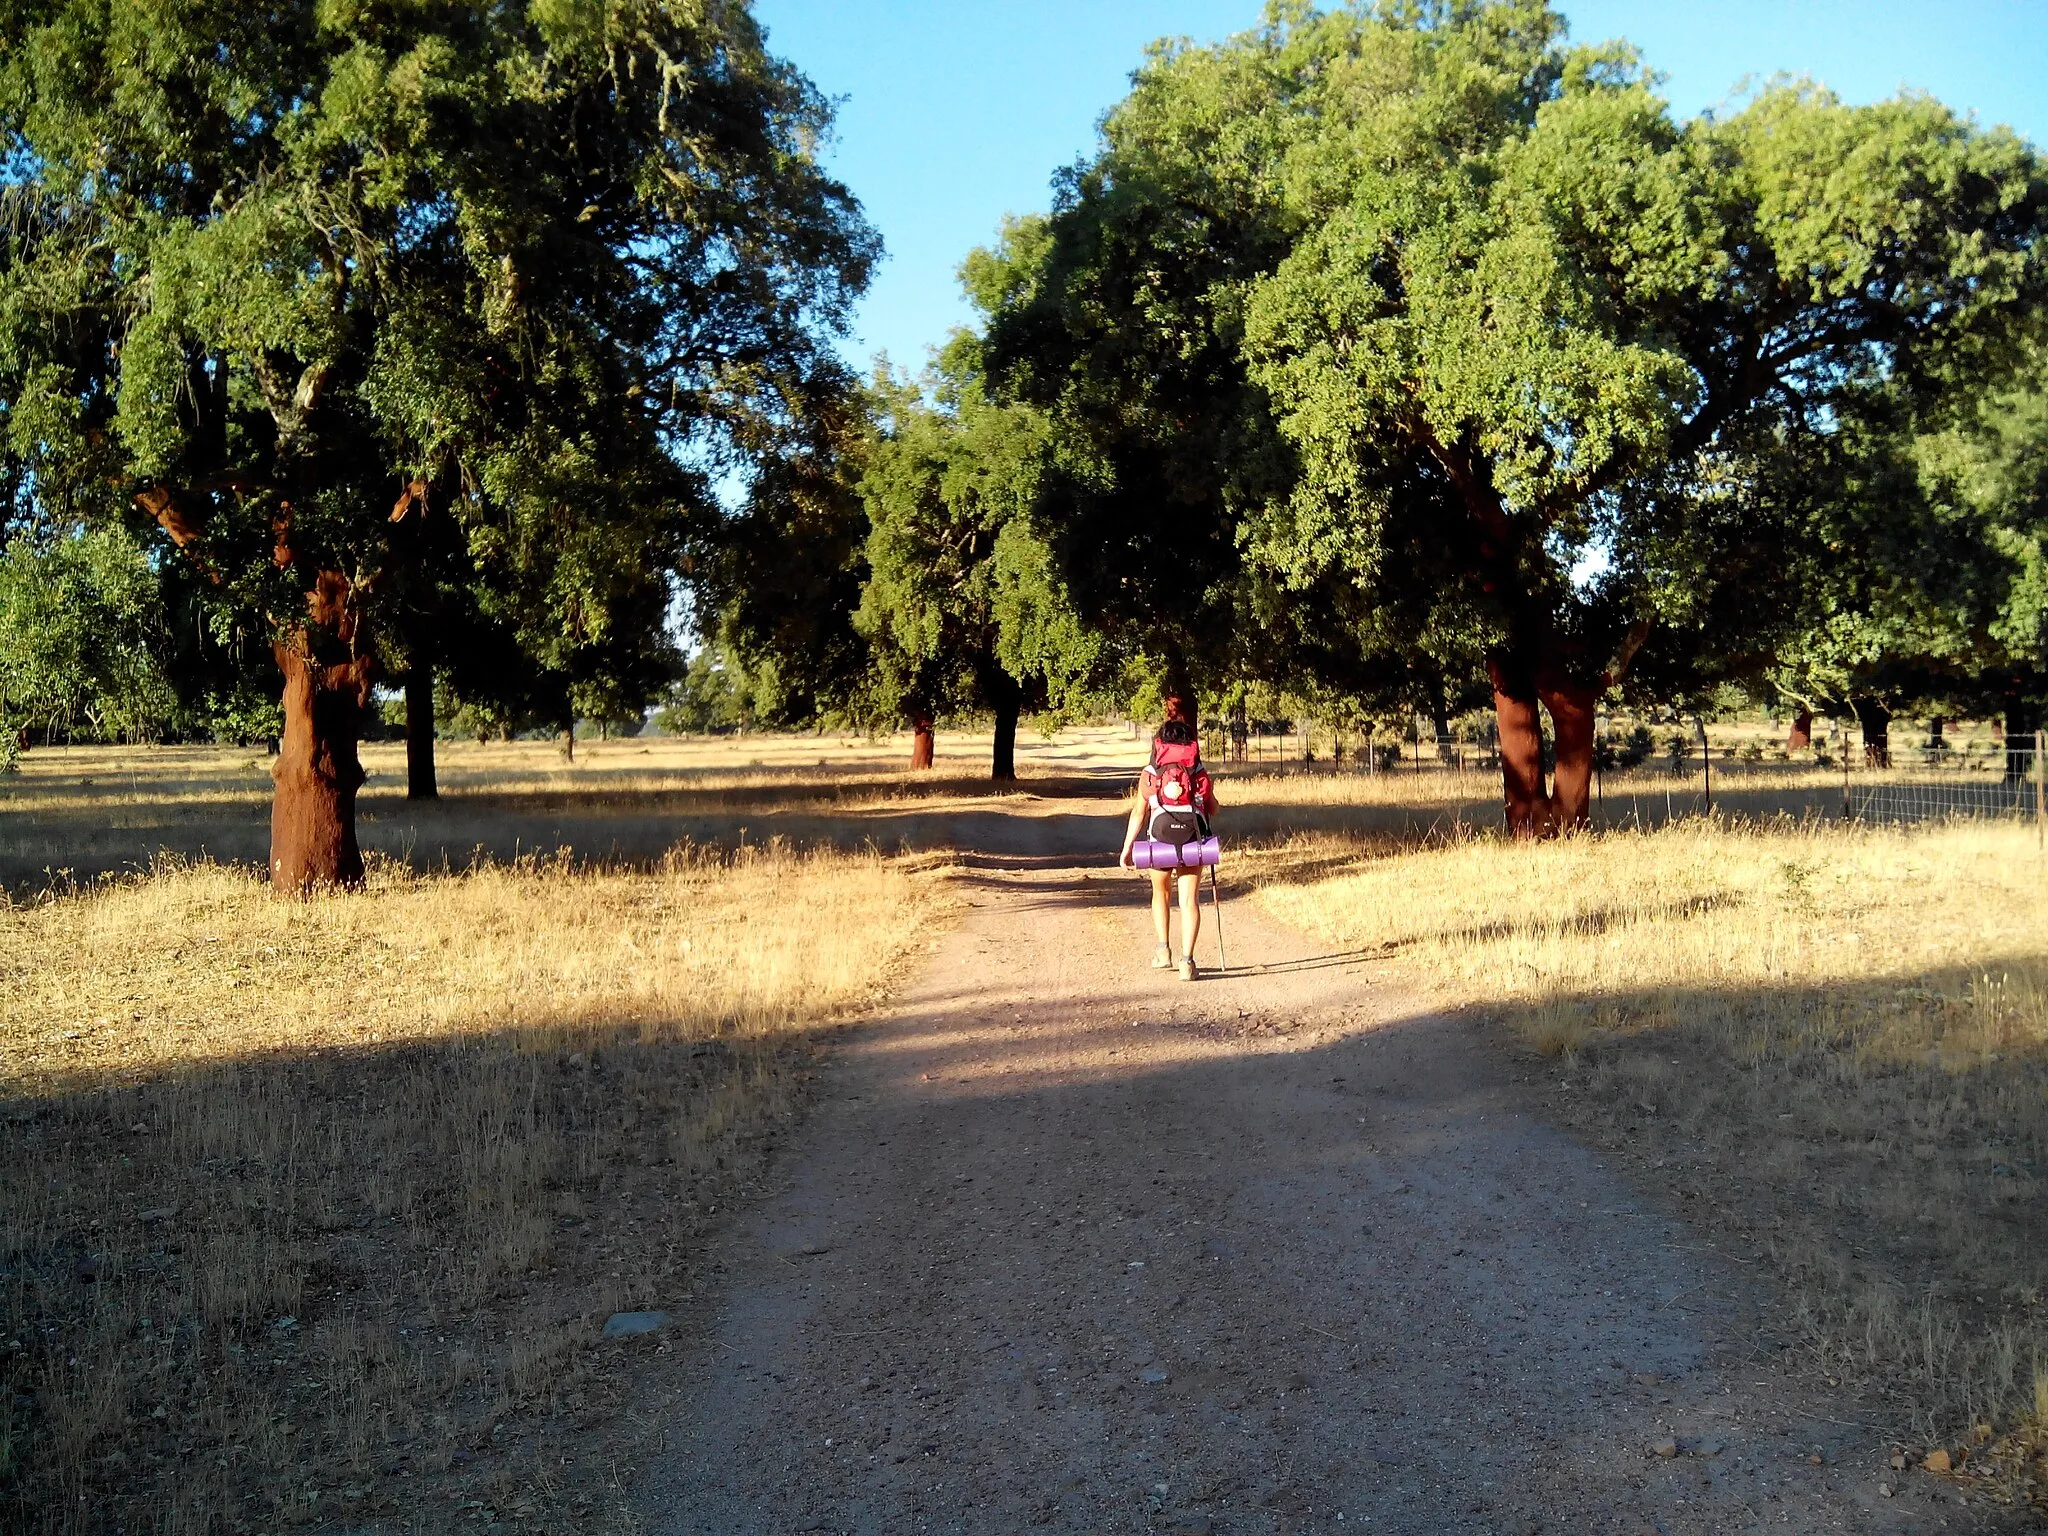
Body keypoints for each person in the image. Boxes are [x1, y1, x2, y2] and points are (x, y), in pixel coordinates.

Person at [1118, 694, 1218, 981]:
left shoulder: (1150, 773)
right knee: (1189, 900)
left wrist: (1127, 848)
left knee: (1160, 894)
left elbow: (1139, 813)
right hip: (1192, 839)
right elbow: (1212, 808)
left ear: (1159, 745)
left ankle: (1164, 951)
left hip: (1159, 840)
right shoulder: (1197, 772)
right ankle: (1188, 962)